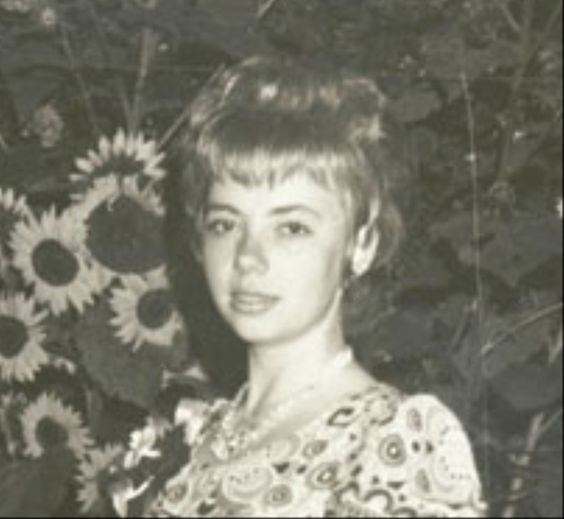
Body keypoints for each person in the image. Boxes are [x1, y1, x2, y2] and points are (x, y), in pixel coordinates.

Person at [106, 55, 487, 517]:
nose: (247, 257)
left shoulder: (394, 441)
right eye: (226, 223)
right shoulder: (198, 434)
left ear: (361, 245)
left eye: (291, 228)